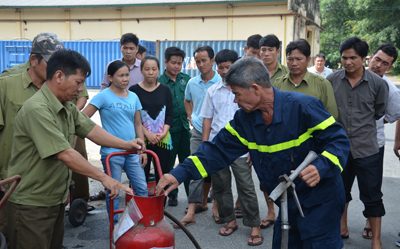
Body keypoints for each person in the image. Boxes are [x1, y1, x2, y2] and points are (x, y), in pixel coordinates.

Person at [157, 56, 351, 248]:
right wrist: (178, 174)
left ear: (256, 89)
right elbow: (215, 151)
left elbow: (339, 141)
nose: (235, 100)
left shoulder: (303, 107)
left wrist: (322, 166)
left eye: (237, 94)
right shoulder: (245, 120)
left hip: (320, 201)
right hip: (287, 202)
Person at [4, 49, 139, 249]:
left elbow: (91, 129)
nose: (82, 89)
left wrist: (127, 144)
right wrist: (105, 178)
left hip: (54, 199)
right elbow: (65, 154)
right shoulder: (37, 109)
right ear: (59, 76)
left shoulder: (66, 106)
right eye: (78, 82)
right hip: (31, 204)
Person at [0, 32, 66, 242]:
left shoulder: (58, 90)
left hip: (49, 184)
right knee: (12, 234)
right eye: (52, 63)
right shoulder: (6, 85)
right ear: (34, 60)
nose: (58, 70)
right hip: (12, 181)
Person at [326, 37, 389, 249]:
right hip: (340, 149)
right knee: (339, 193)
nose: (348, 62)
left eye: (353, 57)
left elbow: (379, 111)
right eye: (344, 57)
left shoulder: (378, 84)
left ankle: (376, 240)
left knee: (372, 196)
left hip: (367, 149)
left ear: (364, 58)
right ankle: (340, 229)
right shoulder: (332, 80)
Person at [200, 49, 262, 245]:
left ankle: (254, 225)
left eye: (229, 67)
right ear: (216, 68)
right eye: (221, 67)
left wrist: (254, 147)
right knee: (221, 187)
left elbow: (253, 120)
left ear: (237, 67)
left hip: (242, 147)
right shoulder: (212, 91)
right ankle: (230, 220)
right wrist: (205, 145)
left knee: (246, 186)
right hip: (218, 147)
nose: (225, 71)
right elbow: (208, 119)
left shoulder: (246, 90)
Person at [82, 60, 148, 224]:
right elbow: (82, 119)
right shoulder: (103, 96)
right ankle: (116, 226)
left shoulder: (133, 96)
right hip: (112, 153)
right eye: (121, 76)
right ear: (110, 77)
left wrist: (143, 148)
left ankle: (141, 222)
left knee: (141, 189)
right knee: (113, 191)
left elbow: (138, 123)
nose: (125, 79)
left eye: (127, 75)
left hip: (133, 152)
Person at [179, 46, 221, 227]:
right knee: (195, 168)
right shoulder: (192, 83)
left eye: (204, 60)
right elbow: (187, 100)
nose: (201, 64)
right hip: (197, 130)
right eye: (198, 61)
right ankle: (191, 211)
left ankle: (216, 208)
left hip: (217, 131)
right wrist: (190, 116)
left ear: (212, 61)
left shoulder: (222, 82)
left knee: (219, 171)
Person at [363, 44, 400, 241]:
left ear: (390, 67)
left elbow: (393, 114)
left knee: (371, 189)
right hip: (347, 143)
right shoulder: (351, 77)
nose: (378, 65)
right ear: (370, 57)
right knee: (341, 187)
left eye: (385, 63)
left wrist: (375, 121)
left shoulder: (390, 89)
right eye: (377, 59)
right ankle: (341, 226)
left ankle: (370, 223)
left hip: (373, 145)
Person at [257, 34, 289, 229]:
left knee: (285, 173)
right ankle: (271, 212)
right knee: (265, 175)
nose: (266, 53)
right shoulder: (254, 73)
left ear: (278, 52)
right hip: (261, 132)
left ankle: (286, 212)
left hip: (282, 131)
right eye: (263, 50)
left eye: (271, 50)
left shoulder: (286, 74)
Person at [129, 56, 174, 185]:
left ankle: (161, 204)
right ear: (141, 71)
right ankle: (140, 203)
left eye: (154, 69)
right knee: (140, 174)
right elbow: (134, 117)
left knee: (163, 175)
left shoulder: (165, 89)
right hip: (141, 140)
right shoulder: (133, 91)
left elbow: (169, 115)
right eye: (147, 69)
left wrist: (163, 134)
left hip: (163, 140)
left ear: (158, 70)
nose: (150, 72)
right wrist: (147, 134)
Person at [159, 47, 191, 206]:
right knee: (168, 164)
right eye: (173, 63)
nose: (177, 66)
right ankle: (171, 194)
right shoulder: (159, 82)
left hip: (185, 129)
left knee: (188, 162)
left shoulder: (186, 79)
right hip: (167, 131)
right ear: (165, 62)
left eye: (179, 63)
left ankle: (192, 196)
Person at [274, 39, 338, 120]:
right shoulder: (278, 83)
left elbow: (332, 116)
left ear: (308, 60)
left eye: (298, 59)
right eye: (290, 59)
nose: (294, 63)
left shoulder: (323, 84)